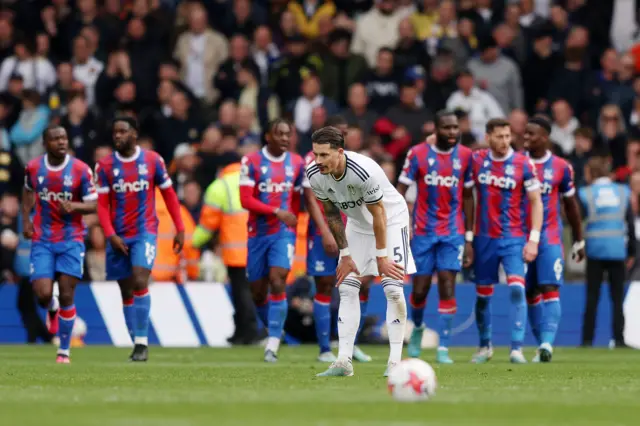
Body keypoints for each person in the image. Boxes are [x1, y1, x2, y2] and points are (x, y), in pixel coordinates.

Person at [307, 126, 415, 377]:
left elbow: (379, 214)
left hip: (391, 220)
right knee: (346, 285)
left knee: (392, 286)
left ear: (340, 151)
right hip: (357, 224)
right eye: (315, 155)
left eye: (324, 155)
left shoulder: (364, 171)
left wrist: (381, 257)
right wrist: (345, 255)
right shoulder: (314, 174)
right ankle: (343, 361)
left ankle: (395, 363)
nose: (318, 161)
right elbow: (332, 214)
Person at [95, 116, 185, 362]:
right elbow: (102, 206)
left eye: (122, 131)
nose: (117, 136)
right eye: (114, 132)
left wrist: (180, 227)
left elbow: (169, 195)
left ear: (134, 134)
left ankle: (142, 343)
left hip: (144, 231)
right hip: (118, 235)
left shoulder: (153, 160)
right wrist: (110, 234)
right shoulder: (104, 166)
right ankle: (136, 341)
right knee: (125, 290)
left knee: (139, 278)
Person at [396, 110, 475, 364]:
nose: (452, 132)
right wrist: (398, 224)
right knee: (419, 291)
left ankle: (444, 346)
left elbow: (468, 197)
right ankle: (418, 328)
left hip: (452, 232)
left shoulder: (465, 156)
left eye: (455, 128)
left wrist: (470, 238)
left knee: (447, 282)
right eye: (446, 128)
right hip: (423, 232)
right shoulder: (417, 154)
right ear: (436, 130)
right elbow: (401, 190)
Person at [22, 125, 98, 363]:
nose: (61, 142)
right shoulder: (34, 168)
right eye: (55, 139)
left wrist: (75, 206)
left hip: (71, 239)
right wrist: (26, 218)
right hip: (43, 239)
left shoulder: (80, 170)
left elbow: (95, 204)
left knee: (67, 294)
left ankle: (64, 350)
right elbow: (27, 191)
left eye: (64, 138)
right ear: (46, 143)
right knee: (43, 293)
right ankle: (50, 306)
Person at [470, 118, 543, 364]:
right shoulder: (477, 160)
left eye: (508, 136)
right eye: (499, 136)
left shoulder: (523, 163)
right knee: (483, 295)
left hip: (513, 237)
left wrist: (533, 239)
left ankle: (516, 349)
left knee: (516, 287)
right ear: (488, 136)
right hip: (484, 238)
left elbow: (536, 202)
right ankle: (485, 346)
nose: (504, 141)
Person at [302, 115, 372, 363]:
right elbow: (310, 198)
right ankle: (324, 349)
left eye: (346, 131)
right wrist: (325, 232)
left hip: (355, 231)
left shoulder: (359, 162)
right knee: (323, 286)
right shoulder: (313, 162)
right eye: (340, 131)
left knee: (359, 285)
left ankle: (350, 345)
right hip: (325, 233)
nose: (344, 135)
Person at [239, 118, 305, 362]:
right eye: (280, 134)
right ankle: (275, 329)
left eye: (288, 134)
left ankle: (273, 343)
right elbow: (245, 200)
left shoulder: (297, 163)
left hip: (282, 234)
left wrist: (291, 218)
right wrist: (276, 211)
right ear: (268, 136)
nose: (285, 138)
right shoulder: (252, 162)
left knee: (278, 279)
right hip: (257, 234)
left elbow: (299, 196)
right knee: (258, 292)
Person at [523, 116, 585, 363]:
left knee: (550, 288)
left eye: (531, 134)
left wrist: (578, 240)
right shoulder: (517, 163)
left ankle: (547, 343)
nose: (525, 138)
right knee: (529, 292)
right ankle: (542, 346)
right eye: (525, 134)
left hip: (549, 235)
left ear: (545, 137)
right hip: (521, 236)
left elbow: (571, 206)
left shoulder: (561, 167)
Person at [193, 162, 258, 345]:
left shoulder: (220, 186)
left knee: (240, 292)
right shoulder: (255, 180)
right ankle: (242, 332)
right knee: (250, 291)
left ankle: (249, 332)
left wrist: (192, 243)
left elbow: (208, 224)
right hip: (258, 245)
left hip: (235, 251)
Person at [578, 156, 636, 348]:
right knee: (617, 298)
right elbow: (628, 222)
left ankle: (587, 340)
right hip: (617, 250)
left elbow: (578, 221)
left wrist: (579, 245)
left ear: (591, 173)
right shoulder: (622, 191)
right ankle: (619, 339)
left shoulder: (586, 193)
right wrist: (631, 252)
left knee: (592, 298)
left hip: (595, 250)